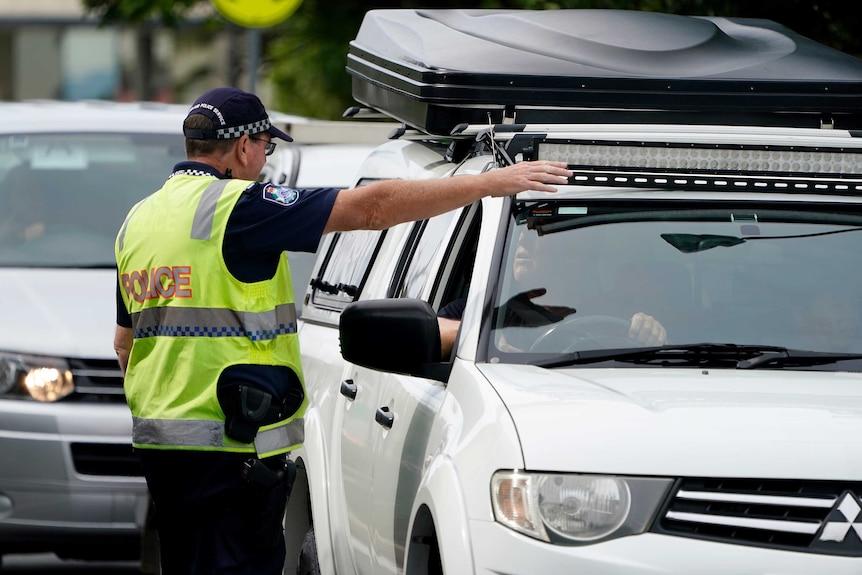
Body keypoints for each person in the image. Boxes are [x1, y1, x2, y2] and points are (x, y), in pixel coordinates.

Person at [112, 86, 571, 575]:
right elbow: (371, 210)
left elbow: (124, 344)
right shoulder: (237, 207)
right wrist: (489, 183)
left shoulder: (138, 221)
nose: (264, 160)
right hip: (231, 450)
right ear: (244, 146)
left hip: (160, 450)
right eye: (267, 147)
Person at [437, 228, 667, 357]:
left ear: (577, 250)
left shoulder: (617, 318)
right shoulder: (478, 313)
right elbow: (430, 334)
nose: (522, 239)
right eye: (519, 232)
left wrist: (651, 335)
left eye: (537, 230)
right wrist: (479, 339)